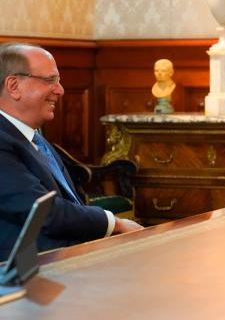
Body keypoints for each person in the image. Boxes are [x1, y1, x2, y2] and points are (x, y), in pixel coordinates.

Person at [0, 42, 143, 261]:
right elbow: (43, 213)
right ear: (14, 86)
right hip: (31, 276)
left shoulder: (33, 137)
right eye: (50, 80)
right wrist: (114, 223)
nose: (60, 90)